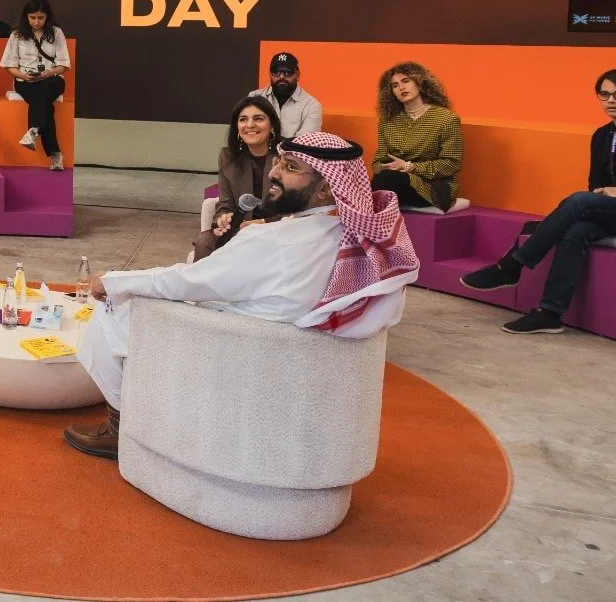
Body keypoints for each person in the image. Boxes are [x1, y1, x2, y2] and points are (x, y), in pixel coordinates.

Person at [64, 132, 418, 459]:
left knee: (114, 307)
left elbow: (186, 281)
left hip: (229, 353)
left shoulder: (274, 244)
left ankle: (123, 428)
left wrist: (113, 281)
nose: (274, 173)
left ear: (326, 188)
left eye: (290, 167)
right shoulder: (348, 238)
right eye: (278, 162)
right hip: (282, 357)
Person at [461, 69, 616, 334]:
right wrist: (602, 192)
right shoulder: (602, 135)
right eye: (605, 94)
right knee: (576, 231)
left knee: (579, 201)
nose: (611, 100)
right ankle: (550, 313)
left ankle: (511, 266)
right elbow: (595, 185)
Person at [193, 95, 283, 261]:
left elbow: (296, 207)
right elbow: (225, 204)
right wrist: (223, 219)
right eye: (243, 120)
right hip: (240, 229)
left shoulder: (288, 157)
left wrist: (264, 223)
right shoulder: (228, 157)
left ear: (271, 125)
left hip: (277, 230)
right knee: (205, 241)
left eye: (258, 119)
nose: (250, 125)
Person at [371, 61, 464, 212]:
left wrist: (409, 167)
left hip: (432, 186)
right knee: (384, 178)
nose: (401, 87)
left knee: (389, 181)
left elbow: (451, 164)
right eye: (395, 85)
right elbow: (377, 161)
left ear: (419, 83)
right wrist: (388, 166)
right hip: (392, 178)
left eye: (406, 81)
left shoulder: (446, 119)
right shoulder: (387, 121)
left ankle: (362, 218)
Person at [0, 0, 71, 171]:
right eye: (33, 18)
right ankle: (55, 154)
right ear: (26, 17)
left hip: (52, 79)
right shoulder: (17, 35)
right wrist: (23, 75)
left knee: (45, 88)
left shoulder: (56, 33)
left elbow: (64, 64)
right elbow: (9, 65)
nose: (36, 22)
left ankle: (34, 129)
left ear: (47, 17)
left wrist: (50, 72)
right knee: (45, 105)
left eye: (41, 18)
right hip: (25, 80)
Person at [250, 51, 322, 138]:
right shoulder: (254, 97)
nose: (282, 76)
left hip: (292, 148)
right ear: (270, 74)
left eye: (288, 72)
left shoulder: (311, 105)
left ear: (298, 75)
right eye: (276, 72)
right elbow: (249, 132)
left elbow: (305, 142)